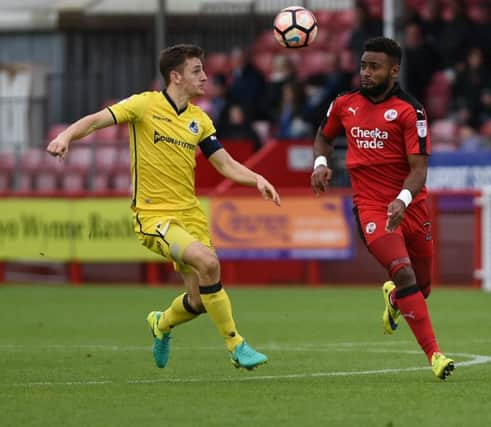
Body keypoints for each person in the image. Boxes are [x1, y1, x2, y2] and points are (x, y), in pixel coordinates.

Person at [46, 44, 280, 370]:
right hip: (153, 214)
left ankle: (162, 323)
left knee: (198, 301)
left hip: (190, 215)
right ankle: (236, 344)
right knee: (208, 262)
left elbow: (224, 164)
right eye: (197, 70)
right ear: (176, 76)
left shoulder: (200, 120)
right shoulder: (144, 105)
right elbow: (97, 120)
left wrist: (256, 178)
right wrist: (67, 136)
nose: (205, 76)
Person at [310, 37, 454, 380]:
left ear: (394, 70)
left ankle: (394, 299)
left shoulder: (410, 111)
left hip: (410, 206)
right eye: (363, 65)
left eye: (374, 66)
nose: (366, 72)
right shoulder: (344, 104)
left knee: (421, 288)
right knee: (403, 273)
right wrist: (319, 163)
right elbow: (323, 137)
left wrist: (402, 200)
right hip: (371, 208)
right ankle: (435, 356)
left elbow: (419, 169)